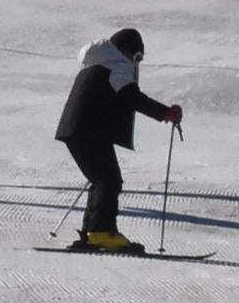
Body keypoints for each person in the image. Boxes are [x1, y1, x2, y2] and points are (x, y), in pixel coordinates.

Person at [55, 28, 182, 254]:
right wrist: (166, 113)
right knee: (109, 179)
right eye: (137, 57)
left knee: (102, 179)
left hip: (74, 130)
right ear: (128, 51)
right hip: (90, 129)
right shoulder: (117, 65)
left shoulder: (97, 62)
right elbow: (133, 98)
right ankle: (103, 233)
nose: (137, 63)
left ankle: (94, 233)